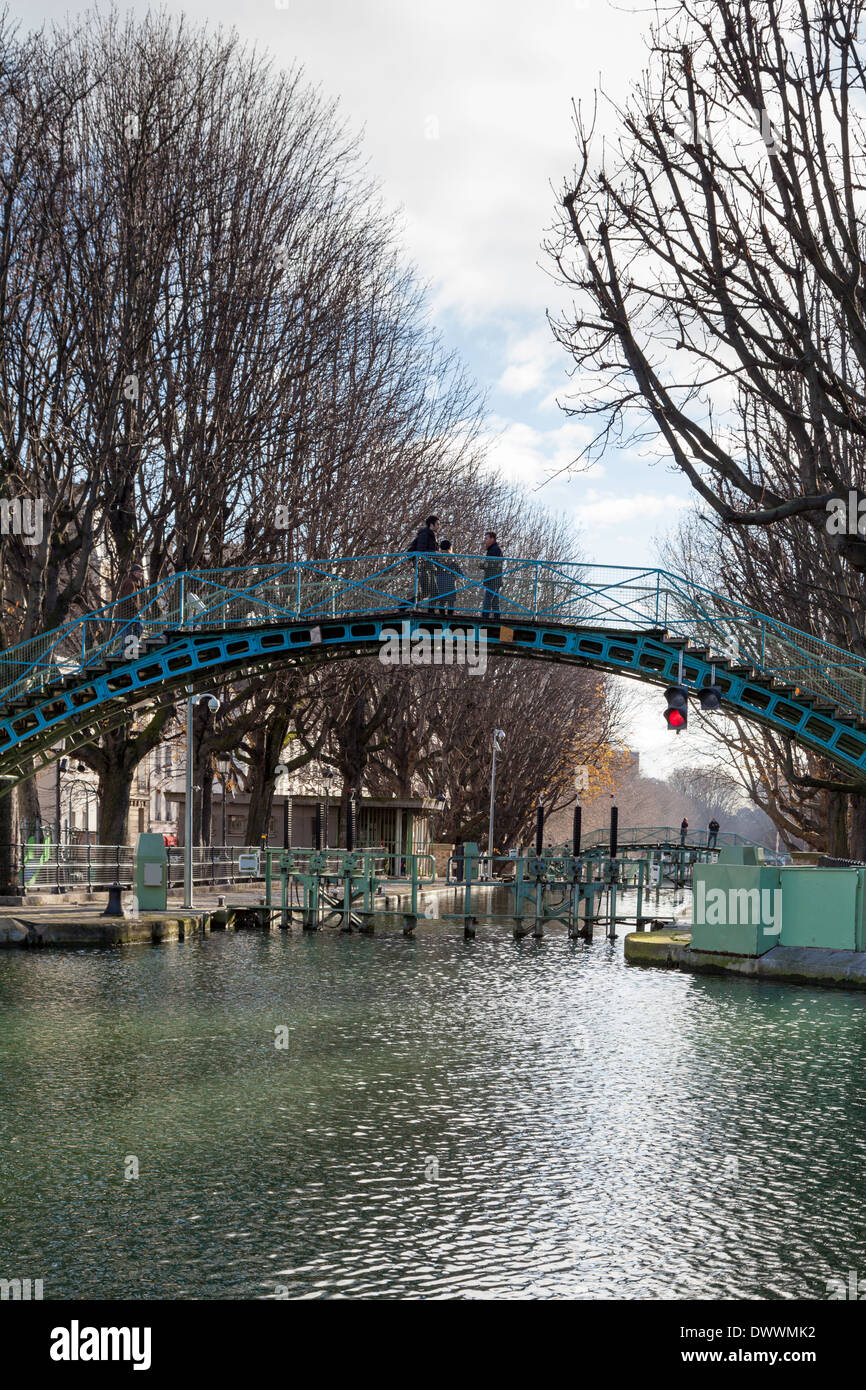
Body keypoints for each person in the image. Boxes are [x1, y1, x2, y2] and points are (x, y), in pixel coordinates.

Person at [405, 515, 439, 610]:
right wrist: (435, 553)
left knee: (434, 591)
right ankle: (403, 606)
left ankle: (430, 612)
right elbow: (421, 550)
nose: (439, 526)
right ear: (431, 524)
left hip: (429, 566)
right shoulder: (424, 535)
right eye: (437, 524)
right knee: (427, 591)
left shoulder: (431, 535)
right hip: (423, 566)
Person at [435, 539, 463, 616]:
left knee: (442, 600)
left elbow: (435, 567)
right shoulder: (451, 557)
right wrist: (462, 574)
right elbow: (456, 567)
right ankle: (450, 615)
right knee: (451, 600)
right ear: (449, 547)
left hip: (440, 578)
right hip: (450, 579)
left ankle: (442, 616)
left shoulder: (437, 556)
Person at [480, 529, 503, 619]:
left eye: (486, 538)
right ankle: (497, 618)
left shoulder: (495, 549)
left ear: (492, 539)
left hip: (493, 579)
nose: (485, 540)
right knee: (494, 602)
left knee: (488, 600)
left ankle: (484, 617)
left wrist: (484, 565)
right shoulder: (493, 549)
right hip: (494, 579)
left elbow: (494, 563)